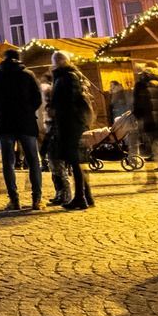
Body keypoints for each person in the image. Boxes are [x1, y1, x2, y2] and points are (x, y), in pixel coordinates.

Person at [0, 49, 44, 211]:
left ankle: (14, 200)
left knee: (8, 163)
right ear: (18, 59)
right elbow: (37, 98)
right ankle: (37, 199)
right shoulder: (27, 75)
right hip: (26, 122)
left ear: (4, 59)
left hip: (4, 122)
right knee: (33, 161)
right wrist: (28, 110)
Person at [46, 52, 94, 210]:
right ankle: (87, 196)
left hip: (71, 123)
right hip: (73, 122)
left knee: (75, 161)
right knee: (75, 161)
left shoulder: (66, 77)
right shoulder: (70, 75)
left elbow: (67, 102)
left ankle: (81, 198)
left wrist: (55, 112)